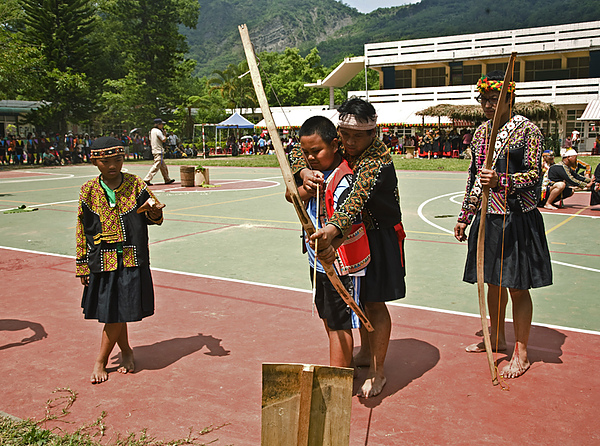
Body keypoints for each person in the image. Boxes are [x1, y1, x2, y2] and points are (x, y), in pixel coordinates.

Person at [290, 97, 406, 398]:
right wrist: (303, 173)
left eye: (358, 136)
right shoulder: (339, 143)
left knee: (374, 302)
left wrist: (330, 231)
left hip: (377, 235)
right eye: (345, 135)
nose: (350, 142)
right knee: (358, 298)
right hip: (351, 236)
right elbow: (298, 152)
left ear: (373, 134)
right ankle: (365, 354)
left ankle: (378, 372)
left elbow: (354, 200)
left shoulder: (375, 160)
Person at [454, 71, 553, 379]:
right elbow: (474, 179)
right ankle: (495, 336)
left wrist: (502, 180)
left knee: (517, 286)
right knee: (492, 283)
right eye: (483, 99)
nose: (487, 105)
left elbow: (535, 175)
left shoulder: (527, 131)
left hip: (517, 218)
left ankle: (521, 353)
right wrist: (464, 215)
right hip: (488, 218)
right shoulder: (482, 133)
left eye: (493, 99)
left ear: (510, 99)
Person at [76, 136, 165, 384]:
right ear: (94, 161)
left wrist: (155, 212)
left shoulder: (136, 185)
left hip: (132, 259)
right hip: (101, 261)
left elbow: (154, 216)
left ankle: (101, 360)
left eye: (118, 160)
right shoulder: (88, 190)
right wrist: (82, 263)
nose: (113, 166)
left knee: (116, 312)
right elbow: (82, 229)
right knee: (115, 311)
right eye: (106, 161)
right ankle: (126, 350)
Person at [286, 116, 370, 369]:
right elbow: (291, 195)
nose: (310, 157)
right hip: (318, 262)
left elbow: (347, 218)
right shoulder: (313, 174)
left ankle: (338, 375)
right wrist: (305, 184)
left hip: (340, 262)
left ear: (335, 145)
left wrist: (329, 241)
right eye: (306, 153)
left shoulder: (343, 178)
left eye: (316, 151)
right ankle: (344, 369)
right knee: (328, 316)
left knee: (339, 323)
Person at [143, 118, 175, 186]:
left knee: (163, 166)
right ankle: (147, 179)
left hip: (154, 149)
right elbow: (163, 140)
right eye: (161, 124)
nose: (162, 126)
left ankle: (167, 179)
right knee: (156, 165)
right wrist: (165, 134)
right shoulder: (158, 131)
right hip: (158, 150)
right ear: (158, 124)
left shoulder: (152, 131)